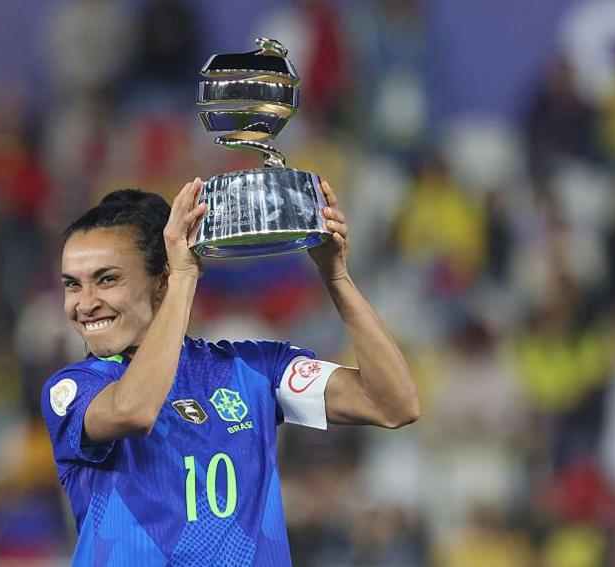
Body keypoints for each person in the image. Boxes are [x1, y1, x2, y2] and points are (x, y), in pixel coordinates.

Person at [41, 177, 419, 565]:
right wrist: (185, 278)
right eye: (73, 285)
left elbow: (393, 405)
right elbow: (135, 410)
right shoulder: (74, 388)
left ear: (160, 281)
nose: (85, 304)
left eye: (107, 279)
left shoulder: (252, 370)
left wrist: (336, 277)